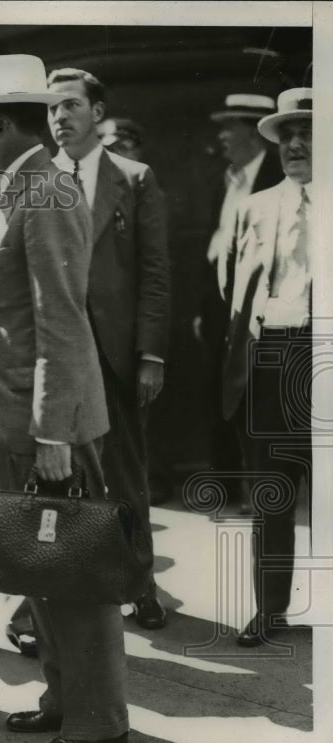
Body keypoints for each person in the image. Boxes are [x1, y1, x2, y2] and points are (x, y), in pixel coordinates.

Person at [0, 54, 128, 743]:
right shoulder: (17, 189)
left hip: (48, 422)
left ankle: (98, 718)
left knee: (74, 571)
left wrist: (54, 430)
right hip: (17, 414)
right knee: (43, 567)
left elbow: (62, 321)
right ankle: (65, 700)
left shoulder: (45, 193)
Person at [48, 67, 171, 630]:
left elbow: (154, 274)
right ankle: (66, 590)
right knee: (58, 473)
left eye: (70, 105)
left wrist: (150, 355)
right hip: (58, 350)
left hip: (117, 353)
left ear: (97, 113)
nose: (59, 117)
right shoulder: (39, 179)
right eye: (51, 109)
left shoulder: (134, 177)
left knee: (124, 471)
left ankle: (139, 582)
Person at [220, 88, 313, 647]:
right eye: (287, 135)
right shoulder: (255, 208)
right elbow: (233, 291)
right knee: (271, 492)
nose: (295, 144)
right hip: (271, 357)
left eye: (308, 133)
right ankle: (269, 608)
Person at [196, 94, 284, 510]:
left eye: (229, 127)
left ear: (252, 130)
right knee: (218, 389)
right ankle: (226, 484)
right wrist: (205, 307)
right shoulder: (225, 180)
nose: (222, 136)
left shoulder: (277, 174)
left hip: (261, 299)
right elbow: (215, 244)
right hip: (220, 302)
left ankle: (258, 486)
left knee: (255, 391)